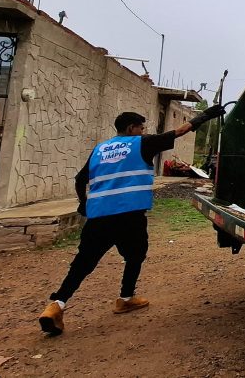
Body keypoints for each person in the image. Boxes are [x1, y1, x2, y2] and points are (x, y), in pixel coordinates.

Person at [38, 106, 224, 336]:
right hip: (129, 215)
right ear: (130, 128)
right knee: (136, 254)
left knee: (83, 263)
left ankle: (57, 305)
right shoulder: (140, 143)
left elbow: (79, 179)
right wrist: (207, 115)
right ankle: (125, 298)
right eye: (141, 127)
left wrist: (83, 203)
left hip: (98, 216)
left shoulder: (100, 149)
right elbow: (180, 131)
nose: (143, 131)